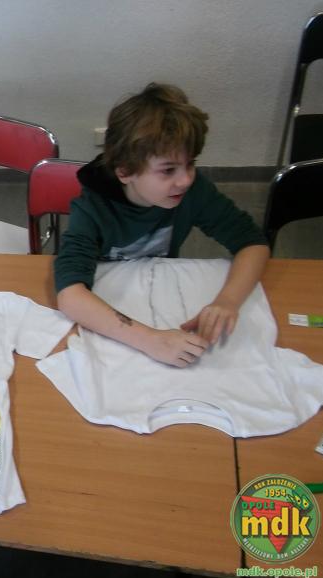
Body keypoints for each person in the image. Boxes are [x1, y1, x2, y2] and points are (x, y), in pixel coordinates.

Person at [54, 82, 270, 368]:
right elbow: (70, 295)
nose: (186, 179)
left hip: (161, 295)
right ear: (125, 172)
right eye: (168, 170)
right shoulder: (92, 208)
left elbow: (253, 244)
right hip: (110, 313)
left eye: (190, 164)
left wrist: (227, 302)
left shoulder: (193, 192)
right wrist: (151, 340)